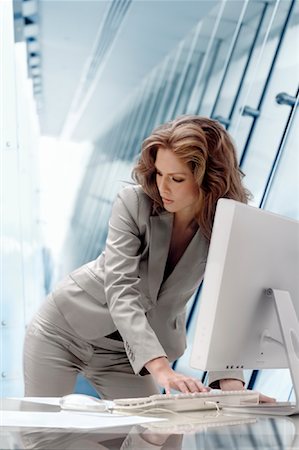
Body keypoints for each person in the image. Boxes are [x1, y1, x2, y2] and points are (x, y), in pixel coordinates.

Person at [23, 115, 275, 402]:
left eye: (177, 179)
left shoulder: (228, 225)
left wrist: (232, 384)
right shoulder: (133, 203)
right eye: (159, 174)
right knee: (43, 436)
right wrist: (161, 368)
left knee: (160, 439)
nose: (163, 187)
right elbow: (120, 287)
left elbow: (227, 303)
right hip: (65, 332)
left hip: (126, 355)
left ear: (209, 179)